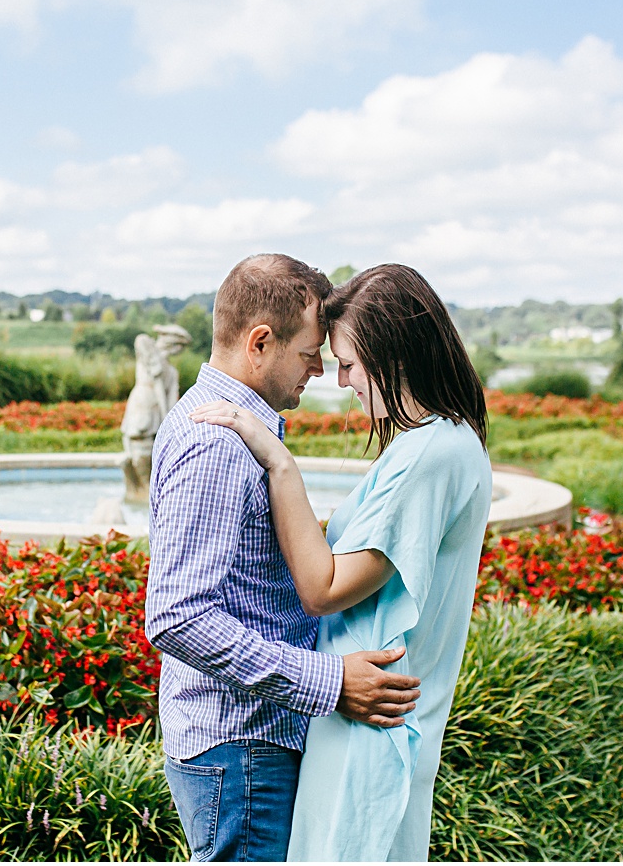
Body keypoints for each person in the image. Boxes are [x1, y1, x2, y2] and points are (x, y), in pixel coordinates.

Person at [190, 263, 492, 862]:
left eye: (350, 364)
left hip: (370, 732)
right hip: (361, 721)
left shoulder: (430, 455)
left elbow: (323, 587)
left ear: (395, 357)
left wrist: (279, 462)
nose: (341, 380)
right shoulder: (432, 443)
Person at [146, 254, 425, 863]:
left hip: (244, 747)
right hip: (242, 750)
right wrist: (329, 682)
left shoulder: (231, 428)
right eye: (309, 354)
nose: (322, 370)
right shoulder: (215, 444)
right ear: (260, 343)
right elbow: (176, 618)